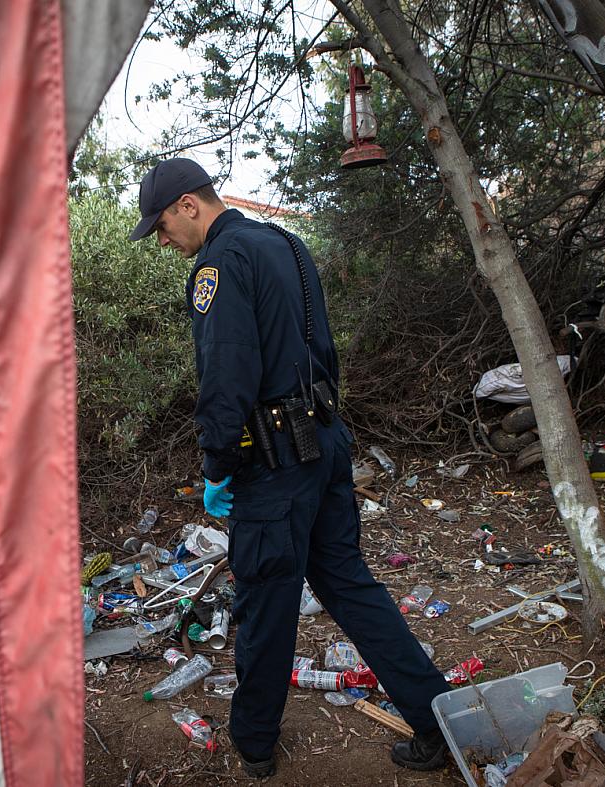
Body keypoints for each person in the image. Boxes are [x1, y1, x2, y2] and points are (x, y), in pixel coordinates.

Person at [129, 158, 450, 778]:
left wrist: (217, 464)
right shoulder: (287, 244)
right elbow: (321, 352)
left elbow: (226, 375)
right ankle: (437, 719)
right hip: (324, 442)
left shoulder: (219, 264)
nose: (164, 241)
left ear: (189, 205)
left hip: (274, 463)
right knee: (350, 585)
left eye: (163, 226)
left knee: (266, 602)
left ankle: (253, 743)